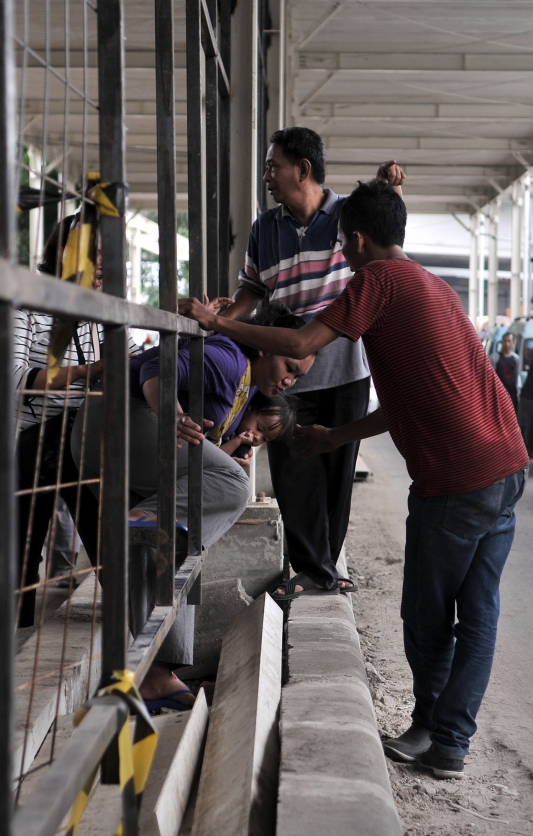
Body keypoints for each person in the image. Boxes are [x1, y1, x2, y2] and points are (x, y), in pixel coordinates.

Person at [179, 179, 528, 779]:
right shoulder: (434, 289)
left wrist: (219, 321)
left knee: (425, 614)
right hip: (507, 464)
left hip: (456, 478)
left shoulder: (376, 282)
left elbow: (299, 341)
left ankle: (432, 730)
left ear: (357, 241)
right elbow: (415, 395)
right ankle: (450, 743)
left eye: (342, 244)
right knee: (479, 612)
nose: (341, 254)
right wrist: (337, 437)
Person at [71, 304, 315, 708]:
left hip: (128, 443)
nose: (289, 380)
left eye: (298, 376)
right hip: (117, 421)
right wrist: (173, 414)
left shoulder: (249, 387)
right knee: (231, 487)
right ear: (263, 343)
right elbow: (157, 370)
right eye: (288, 365)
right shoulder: (228, 358)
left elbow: (209, 441)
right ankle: (137, 517)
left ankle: (155, 675)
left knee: (173, 547)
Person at [213, 126, 405, 599]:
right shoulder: (265, 228)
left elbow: (384, 248)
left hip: (345, 371)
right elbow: (252, 290)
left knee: (337, 470)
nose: (267, 177)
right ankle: (311, 568)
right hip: (286, 376)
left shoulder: (346, 216)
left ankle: (324, 568)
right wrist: (219, 319)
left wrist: (393, 192)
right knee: (294, 471)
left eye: (273, 166)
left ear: (303, 169)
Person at [14, 215, 141, 626]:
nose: (105, 264)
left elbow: (136, 362)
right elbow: (13, 378)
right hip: (35, 438)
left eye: (110, 255)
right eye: (96, 253)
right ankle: (15, 638)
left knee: (105, 527)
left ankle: (135, 619)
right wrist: (86, 373)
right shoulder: (28, 301)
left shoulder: (104, 310)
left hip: (85, 435)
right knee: (22, 554)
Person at [490, 332, 520, 411]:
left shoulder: (516, 359)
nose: (507, 343)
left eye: (509, 341)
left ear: (513, 343)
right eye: (505, 341)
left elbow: (516, 375)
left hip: (511, 392)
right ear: (502, 342)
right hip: (498, 393)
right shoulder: (494, 358)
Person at [518, 363, 533, 455]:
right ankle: (527, 448)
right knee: (528, 424)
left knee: (526, 423)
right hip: (529, 397)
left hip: (527, 395)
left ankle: (527, 448)